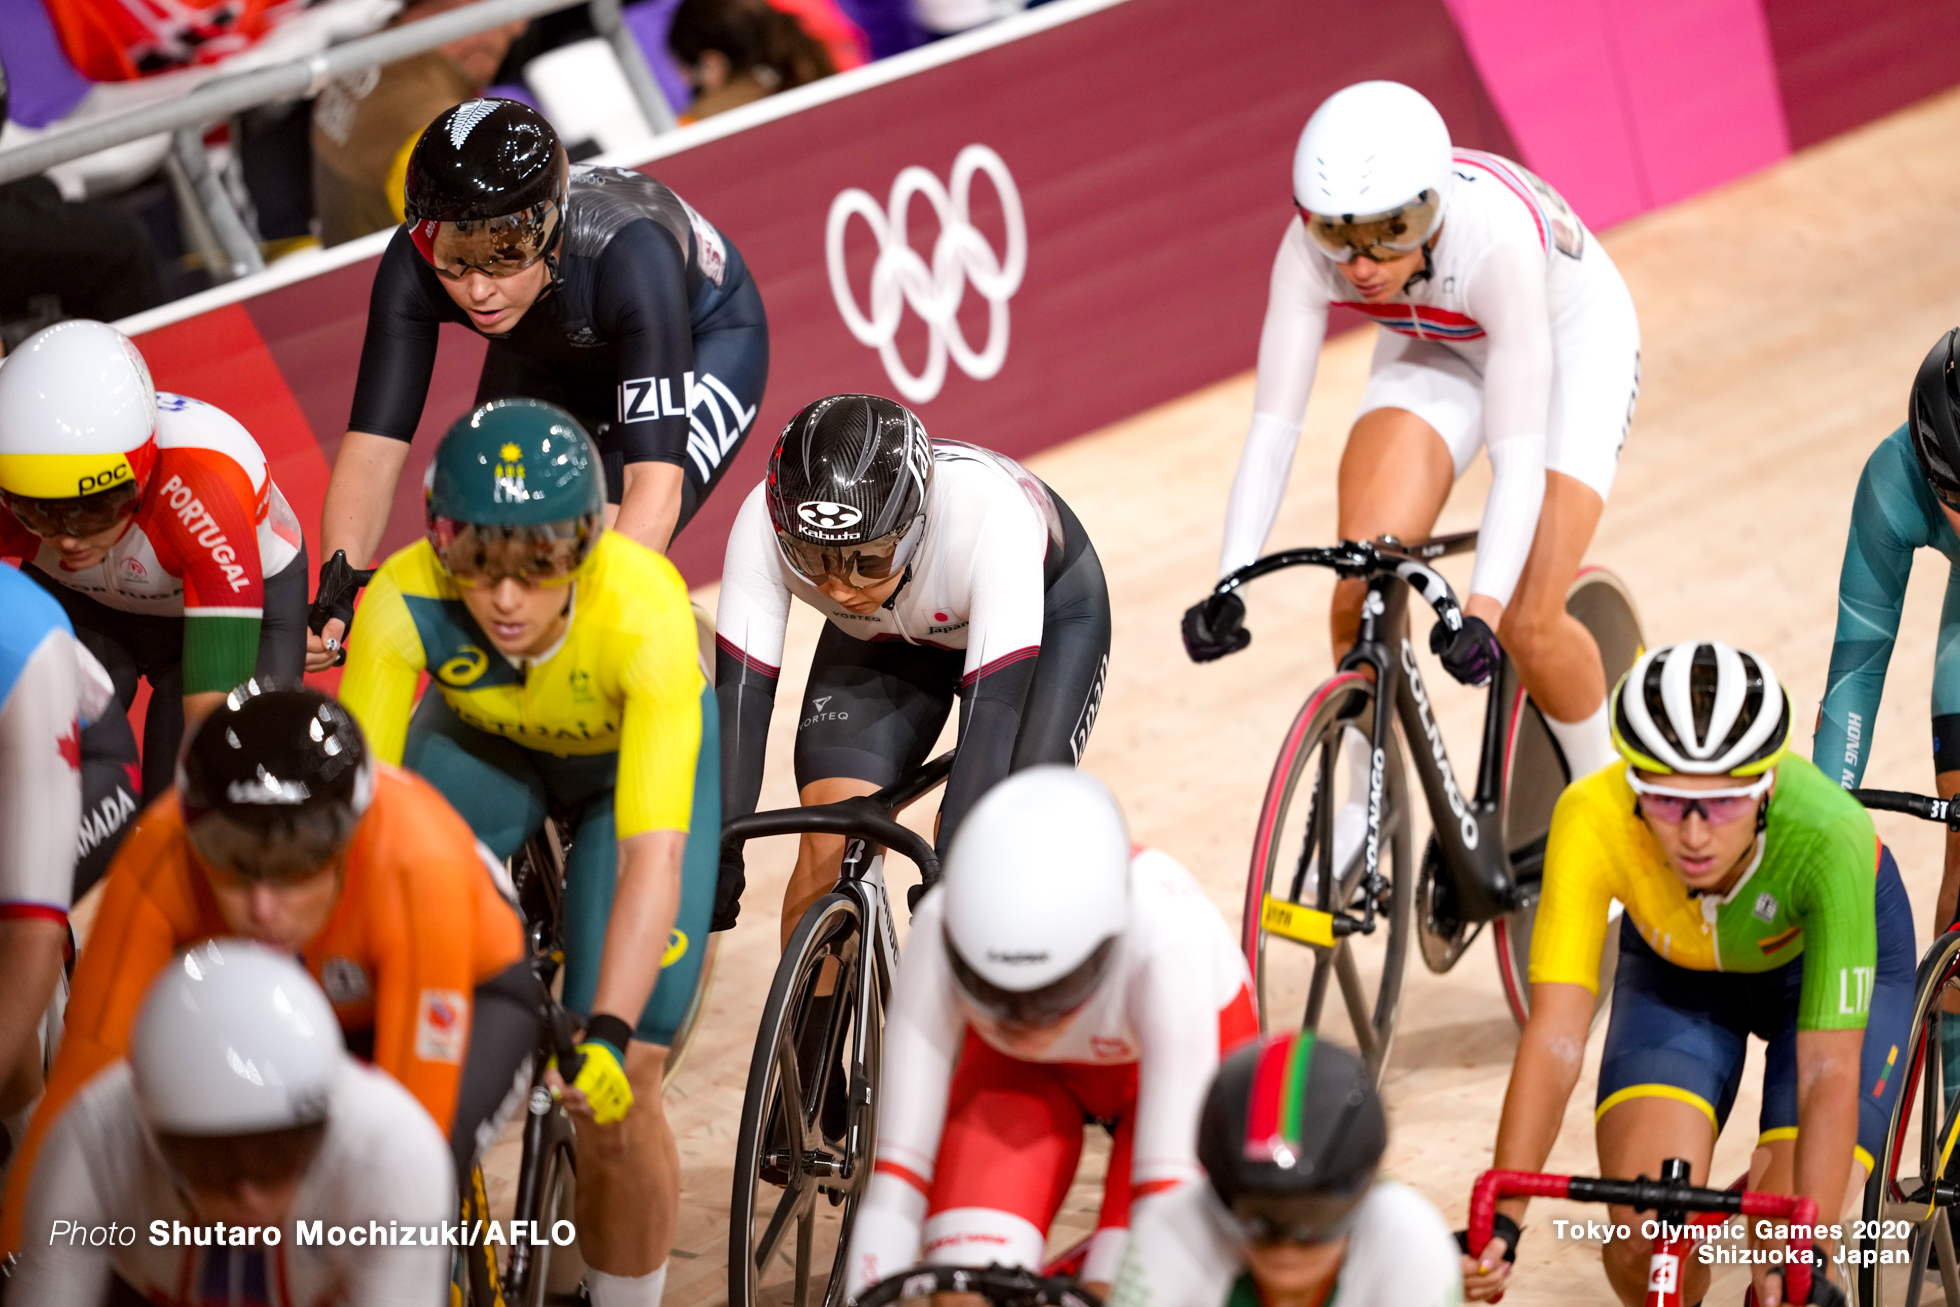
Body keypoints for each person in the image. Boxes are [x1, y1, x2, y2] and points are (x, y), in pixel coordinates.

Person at [338, 398, 716, 1307]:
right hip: (486, 745)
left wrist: (613, 1033)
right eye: (476, 561)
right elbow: (349, 833)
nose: (506, 598)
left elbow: (650, 862)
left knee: (623, 1089)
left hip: (625, 767)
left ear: (587, 543)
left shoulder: (643, 610)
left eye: (540, 562)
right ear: (439, 542)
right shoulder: (402, 597)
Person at [1183, 80, 1641, 792]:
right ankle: (1359, 819)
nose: (1361, 265)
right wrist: (1228, 580)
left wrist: (1482, 612)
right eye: (1337, 234)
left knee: (1530, 621)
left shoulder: (1494, 246)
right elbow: (1272, 432)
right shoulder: (1307, 255)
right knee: (1358, 583)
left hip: (1566, 343)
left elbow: (1516, 462)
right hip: (1436, 343)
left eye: (1389, 232)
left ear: (1432, 210)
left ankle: (1612, 817)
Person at [0, 683, 530, 1257]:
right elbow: (85, 1079)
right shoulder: (163, 848)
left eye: (296, 866)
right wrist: (20, 1256)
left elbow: (412, 1133)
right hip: (288, 991)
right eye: (233, 860)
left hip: (468, 984)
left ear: (348, 843)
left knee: (403, 1189)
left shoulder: (418, 865)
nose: (262, 907)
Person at [1463, 642, 1913, 1307]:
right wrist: (1505, 1215)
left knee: (1782, 1245)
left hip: (1819, 965)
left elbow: (1827, 1070)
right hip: (1682, 972)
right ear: (1633, 786)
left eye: (1725, 803)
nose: (1696, 835)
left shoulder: (1829, 831)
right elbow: (1556, 1039)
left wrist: (1809, 1251)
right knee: (1646, 1244)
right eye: (1669, 803)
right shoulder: (1592, 815)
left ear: (1766, 788)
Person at [310, 97, 769, 669]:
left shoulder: (629, 256)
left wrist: (596, 616)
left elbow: (655, 484)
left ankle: (687, 677)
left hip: (709, 341)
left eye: (504, 254)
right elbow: (374, 449)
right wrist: (337, 578)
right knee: (493, 549)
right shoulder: (412, 264)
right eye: (451, 256)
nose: (477, 289)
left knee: (587, 574)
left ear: (551, 231)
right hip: (550, 354)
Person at [842, 767, 1258, 1297]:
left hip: (1184, 1058)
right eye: (994, 991)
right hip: (1019, 1074)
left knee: (1124, 1286)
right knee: (964, 1286)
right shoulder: (940, 926)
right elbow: (896, 1184)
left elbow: (1164, 1206)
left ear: (1109, 943)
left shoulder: (1170, 946)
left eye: (1049, 994)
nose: (1025, 1020)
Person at [713, 394, 1111, 937]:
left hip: (1047, 616)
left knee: (993, 846)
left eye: (868, 560)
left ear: (916, 526)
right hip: (884, 635)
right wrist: (720, 843)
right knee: (830, 840)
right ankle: (814, 1017)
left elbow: (993, 710)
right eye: (812, 560)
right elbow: (741, 697)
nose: (840, 588)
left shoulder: (991, 520)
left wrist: (952, 867)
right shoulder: (763, 521)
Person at [10, 939, 451, 1305]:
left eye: (280, 1156)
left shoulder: (393, 1153)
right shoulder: (94, 1140)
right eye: (213, 1165)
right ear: (150, 1133)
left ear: (325, 1128)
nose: (249, 1199)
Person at [0, 319, 309, 802]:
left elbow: (210, 733)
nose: (68, 538)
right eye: (39, 512)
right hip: (85, 601)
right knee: (30, 754)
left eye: (96, 507)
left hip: (220, 596)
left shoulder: (206, 488)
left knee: (216, 784)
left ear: (144, 472)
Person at [1105, 1031, 1460, 1307]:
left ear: (1365, 1191)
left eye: (1315, 1218)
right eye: (1260, 1219)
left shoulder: (1412, 1241)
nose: (1287, 1246)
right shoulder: (1171, 1229)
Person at [1818, 328, 1960, 934]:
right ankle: (1949, 1030)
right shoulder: (1894, 481)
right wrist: (1826, 816)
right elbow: (1856, 669)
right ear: (1930, 474)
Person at [0, 565, 114, 1153]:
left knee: (13, 962)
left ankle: (40, 1165)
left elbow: (28, 935)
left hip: (82, 756)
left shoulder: (18, 634)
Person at [310, 0, 528, 247]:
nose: (520, 27)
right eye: (511, 15)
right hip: (391, 272)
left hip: (359, 259)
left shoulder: (371, 47)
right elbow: (485, 238)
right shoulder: (426, 121)